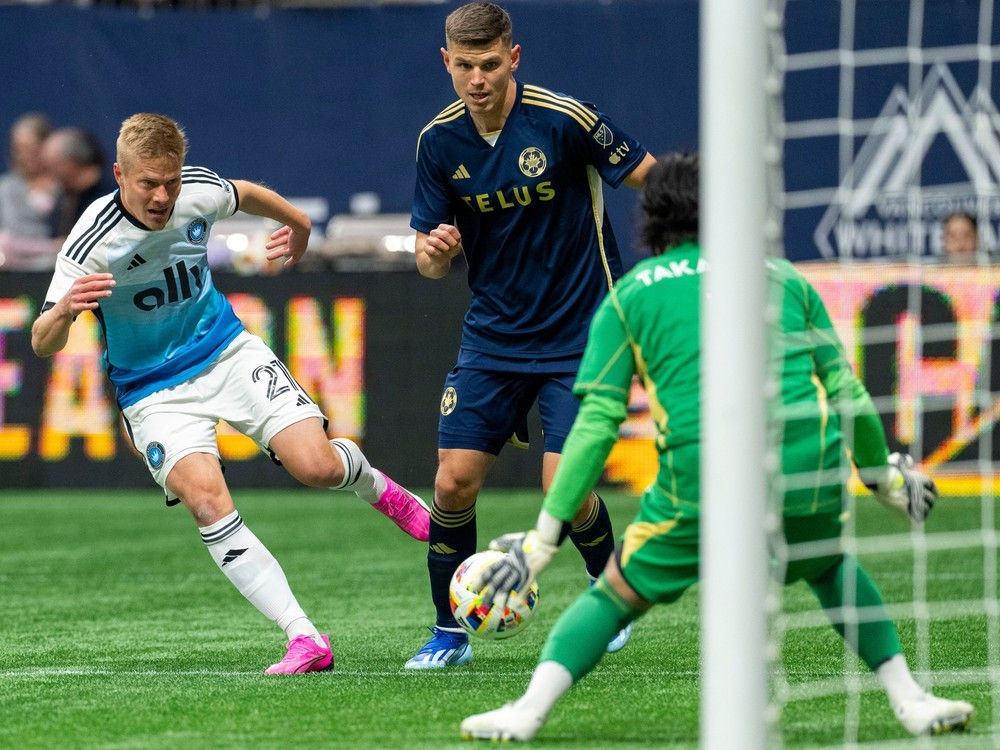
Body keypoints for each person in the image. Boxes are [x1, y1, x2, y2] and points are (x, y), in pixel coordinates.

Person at [460, 153, 975, 740]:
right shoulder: (781, 276)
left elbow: (597, 423)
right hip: (807, 463)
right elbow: (848, 390)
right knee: (830, 566)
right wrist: (884, 478)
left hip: (704, 476)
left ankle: (526, 712)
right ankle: (910, 699)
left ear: (650, 218)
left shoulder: (629, 297)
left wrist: (544, 538)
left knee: (616, 593)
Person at [31, 113, 430, 675]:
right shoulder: (93, 238)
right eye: (148, 183)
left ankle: (384, 492)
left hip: (226, 352)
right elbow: (41, 340)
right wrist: (67, 310)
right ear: (119, 174)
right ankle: (304, 637)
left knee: (315, 466)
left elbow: (242, 193)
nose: (163, 195)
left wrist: (299, 226)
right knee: (207, 501)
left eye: (170, 180)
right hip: (152, 390)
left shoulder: (195, 191)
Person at [407, 1, 657, 669]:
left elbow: (651, 177)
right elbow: (430, 264)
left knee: (562, 489)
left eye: (489, 64)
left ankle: (612, 597)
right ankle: (448, 633)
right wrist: (433, 251)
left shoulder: (564, 119)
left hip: (585, 329)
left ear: (512, 58)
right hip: (495, 334)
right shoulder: (438, 142)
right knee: (453, 483)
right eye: (464, 66)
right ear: (447, 63)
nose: (477, 79)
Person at [0, 113, 59, 270]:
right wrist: (53, 247)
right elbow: (9, 239)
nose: (24, 156)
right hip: (13, 269)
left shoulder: (63, 186)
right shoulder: (7, 187)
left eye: (31, 149)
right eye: (18, 149)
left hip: (56, 267)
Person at [42, 127, 119, 239]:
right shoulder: (63, 199)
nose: (48, 174)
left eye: (52, 166)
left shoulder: (113, 192)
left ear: (71, 162)